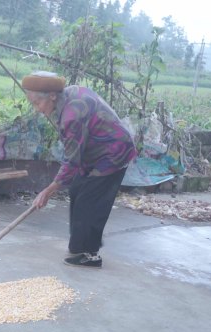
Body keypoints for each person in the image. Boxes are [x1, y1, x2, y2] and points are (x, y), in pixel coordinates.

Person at [22, 71, 137, 268]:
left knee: (90, 199)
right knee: (77, 189)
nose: (37, 109)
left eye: (37, 103)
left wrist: (47, 191)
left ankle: (89, 253)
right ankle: (80, 246)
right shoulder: (69, 94)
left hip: (113, 153)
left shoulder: (71, 115)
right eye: (32, 103)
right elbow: (74, 154)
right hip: (94, 151)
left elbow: (71, 161)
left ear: (52, 96)